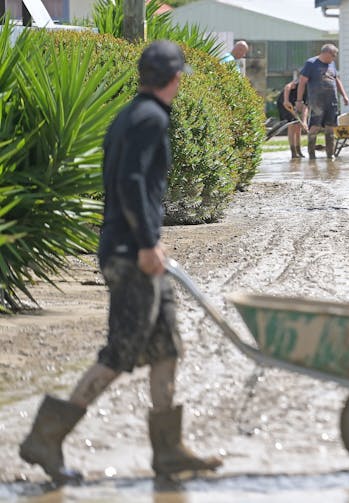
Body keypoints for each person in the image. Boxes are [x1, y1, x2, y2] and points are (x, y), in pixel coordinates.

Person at [18, 40, 222, 485]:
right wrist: (148, 243)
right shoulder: (149, 118)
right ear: (175, 78)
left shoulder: (131, 114)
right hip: (132, 254)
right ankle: (45, 439)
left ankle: (168, 452)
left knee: (167, 346)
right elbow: (131, 183)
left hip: (135, 249)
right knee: (120, 352)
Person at [295, 44, 349, 159]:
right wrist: (299, 100)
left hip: (332, 101)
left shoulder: (332, 64)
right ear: (325, 53)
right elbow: (302, 82)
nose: (334, 58)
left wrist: (344, 95)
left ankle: (330, 154)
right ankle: (312, 155)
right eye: (333, 55)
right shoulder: (311, 63)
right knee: (315, 127)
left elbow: (336, 79)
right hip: (317, 101)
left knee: (331, 128)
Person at [277, 77, 307, 159]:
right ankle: (293, 152)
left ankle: (299, 150)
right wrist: (286, 100)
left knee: (298, 126)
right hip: (284, 101)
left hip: (295, 102)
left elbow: (305, 106)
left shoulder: (310, 89)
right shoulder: (301, 81)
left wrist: (304, 122)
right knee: (292, 125)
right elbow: (288, 86)